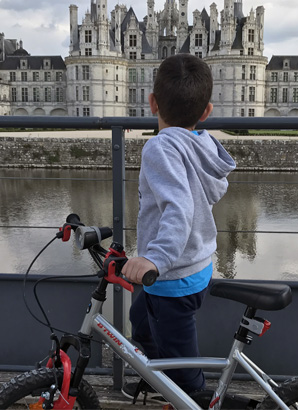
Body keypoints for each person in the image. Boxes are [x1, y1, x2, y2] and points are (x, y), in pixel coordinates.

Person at [121, 54, 236, 402]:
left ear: (152, 102)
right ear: (206, 112)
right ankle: (159, 379)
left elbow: (179, 209)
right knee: (140, 318)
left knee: (186, 371)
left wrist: (155, 259)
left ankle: (187, 397)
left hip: (172, 275)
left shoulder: (159, 147)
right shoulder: (201, 143)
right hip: (197, 266)